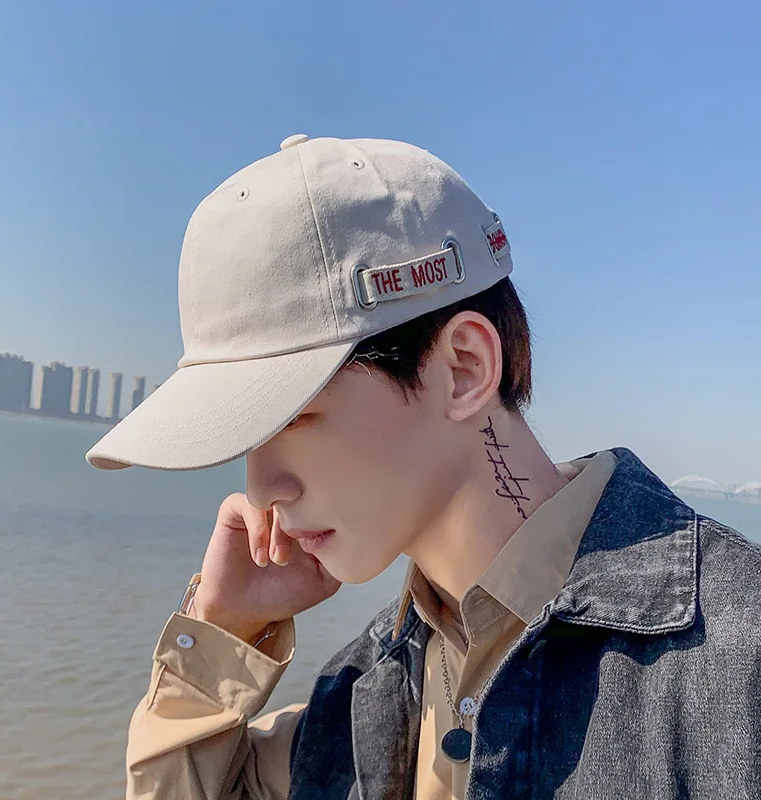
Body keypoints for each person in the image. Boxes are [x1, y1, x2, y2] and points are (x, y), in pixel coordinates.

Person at [86, 135, 761, 799]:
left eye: (296, 416)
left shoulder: (735, 663)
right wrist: (222, 632)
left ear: (463, 369)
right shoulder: (359, 698)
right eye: (247, 437)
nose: (260, 489)